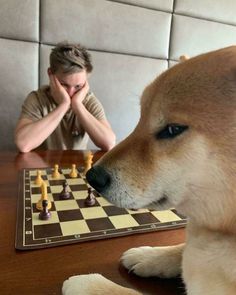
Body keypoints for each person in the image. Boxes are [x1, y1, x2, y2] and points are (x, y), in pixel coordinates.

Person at [15, 42, 116, 152]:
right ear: (50, 74)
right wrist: (64, 105)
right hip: (41, 167)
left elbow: (109, 143)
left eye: (78, 86)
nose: (71, 93)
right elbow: (23, 144)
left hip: (76, 167)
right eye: (64, 84)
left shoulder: (88, 101)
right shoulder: (37, 99)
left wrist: (77, 105)